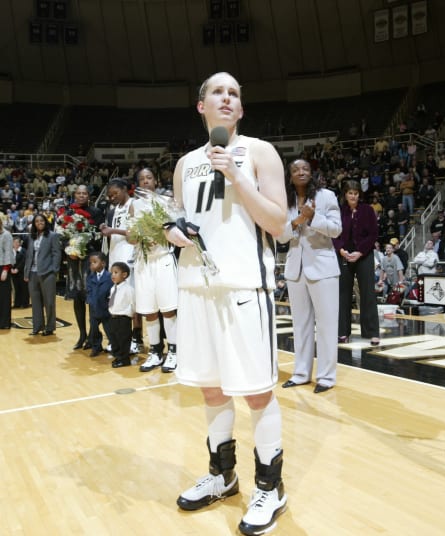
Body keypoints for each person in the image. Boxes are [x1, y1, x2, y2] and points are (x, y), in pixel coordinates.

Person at [164, 72, 288, 535]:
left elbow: (278, 224)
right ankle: (223, 475)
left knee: (256, 390)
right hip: (196, 286)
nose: (227, 98)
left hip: (243, 287)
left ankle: (271, 488)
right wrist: (172, 233)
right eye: (218, 91)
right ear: (202, 106)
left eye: (235, 93)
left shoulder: (259, 152)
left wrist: (237, 176)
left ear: (240, 109)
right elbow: (180, 223)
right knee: (211, 389)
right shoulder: (184, 164)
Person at [278, 159, 341, 393]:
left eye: (305, 169)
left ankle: (326, 376)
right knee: (300, 325)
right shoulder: (284, 200)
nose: (301, 172)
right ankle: (301, 373)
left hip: (323, 268)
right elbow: (280, 236)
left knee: (326, 325)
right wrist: (297, 220)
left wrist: (313, 218)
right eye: (295, 170)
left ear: (311, 173)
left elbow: (336, 229)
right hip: (296, 269)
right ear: (290, 175)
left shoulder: (327, 196)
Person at [131, 168, 179, 374]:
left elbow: (174, 231)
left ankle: (174, 351)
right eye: (141, 179)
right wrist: (139, 235)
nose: (145, 181)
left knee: (168, 308)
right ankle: (155, 352)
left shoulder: (164, 202)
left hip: (163, 259)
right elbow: (130, 237)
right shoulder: (134, 205)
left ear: (156, 180)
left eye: (149, 178)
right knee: (149, 310)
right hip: (143, 261)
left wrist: (158, 233)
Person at [333, 179, 380, 346]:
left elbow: (373, 234)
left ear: (359, 195)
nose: (353, 196)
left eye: (356, 193)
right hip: (344, 256)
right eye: (350, 193)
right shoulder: (339, 211)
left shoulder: (367, 210)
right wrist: (341, 250)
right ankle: (342, 332)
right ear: (345, 195)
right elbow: (333, 234)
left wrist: (360, 252)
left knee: (368, 293)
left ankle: (372, 332)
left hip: (364, 255)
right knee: (343, 294)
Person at [100, 178, 142, 352]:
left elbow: (136, 232)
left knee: (132, 300)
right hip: (116, 253)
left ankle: (137, 339)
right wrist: (106, 229)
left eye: (115, 193)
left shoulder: (134, 205)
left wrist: (113, 231)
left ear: (125, 189)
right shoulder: (114, 209)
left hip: (130, 255)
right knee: (119, 299)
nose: (112, 197)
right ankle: (121, 339)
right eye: (109, 195)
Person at [63, 184, 104, 350]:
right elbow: (63, 235)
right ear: (75, 195)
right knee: (77, 299)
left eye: (84, 193)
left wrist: (82, 246)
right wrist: (70, 248)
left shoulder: (96, 212)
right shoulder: (68, 213)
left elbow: (99, 236)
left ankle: (94, 336)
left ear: (89, 196)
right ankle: (81, 334)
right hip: (73, 261)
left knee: (91, 300)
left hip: (90, 261)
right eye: (78, 193)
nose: (81, 196)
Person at [24, 213, 62, 336]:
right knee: (35, 302)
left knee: (49, 301)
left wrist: (54, 270)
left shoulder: (52, 236)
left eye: (42, 221)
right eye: (37, 221)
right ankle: (37, 326)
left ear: (45, 222)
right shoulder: (32, 236)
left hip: (47, 272)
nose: (39, 223)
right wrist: (26, 272)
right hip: (32, 273)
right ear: (34, 224)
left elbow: (57, 253)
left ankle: (50, 327)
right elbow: (29, 255)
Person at [107, 261, 135, 367]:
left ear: (124, 275)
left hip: (123, 318)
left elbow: (133, 303)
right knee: (114, 339)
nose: (112, 275)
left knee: (123, 340)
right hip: (113, 317)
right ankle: (118, 357)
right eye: (112, 273)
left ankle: (124, 359)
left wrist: (129, 315)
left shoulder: (129, 289)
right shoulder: (113, 288)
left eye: (115, 272)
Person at [86, 251, 112, 357]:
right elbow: (89, 290)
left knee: (109, 330)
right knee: (94, 330)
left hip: (106, 308)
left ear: (103, 263)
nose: (92, 264)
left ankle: (114, 345)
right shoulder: (90, 277)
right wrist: (90, 301)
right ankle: (96, 347)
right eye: (91, 262)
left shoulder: (109, 277)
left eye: (95, 262)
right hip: (94, 308)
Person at [0, 218, 13, 329]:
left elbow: (8, 252)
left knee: (4, 297)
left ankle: (4, 323)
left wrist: (5, 269)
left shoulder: (6, 235)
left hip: (3, 267)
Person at [11, 237, 29, 308]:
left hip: (22, 272)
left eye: (17, 242)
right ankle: (17, 303)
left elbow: (24, 261)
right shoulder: (10, 251)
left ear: (20, 243)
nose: (15, 244)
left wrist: (17, 269)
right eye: (14, 242)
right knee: (16, 288)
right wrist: (11, 269)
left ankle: (24, 303)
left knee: (24, 288)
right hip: (13, 272)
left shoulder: (24, 251)